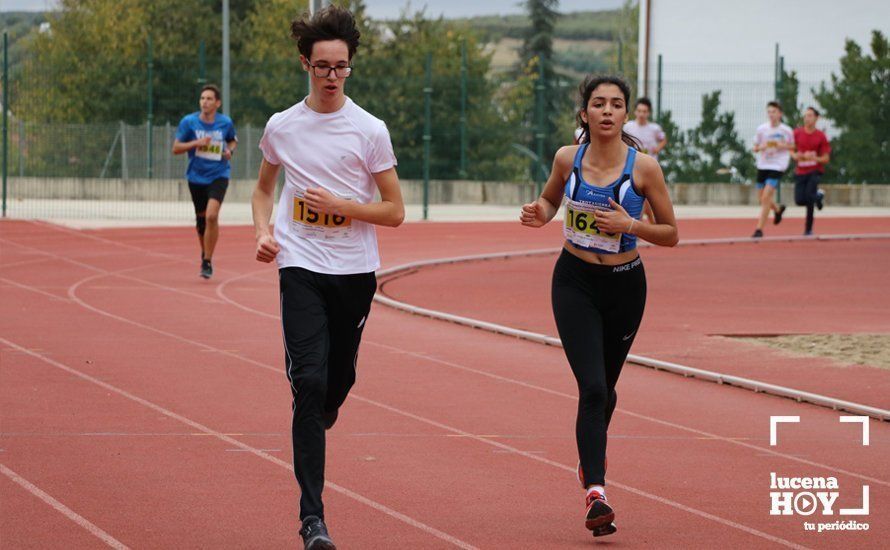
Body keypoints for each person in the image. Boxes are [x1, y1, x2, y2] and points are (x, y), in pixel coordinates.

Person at [251, 6, 404, 549]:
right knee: (308, 383)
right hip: (301, 266)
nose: (332, 76)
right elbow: (264, 189)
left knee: (337, 381)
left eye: (341, 67)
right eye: (322, 67)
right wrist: (263, 232)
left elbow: (395, 211)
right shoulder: (283, 127)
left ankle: (329, 399)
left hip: (355, 272)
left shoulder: (369, 130)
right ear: (305, 65)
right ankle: (313, 519)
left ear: (351, 67)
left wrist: (343, 205)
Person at [520, 75, 678, 538]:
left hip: (626, 286)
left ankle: (591, 450)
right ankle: (596, 491)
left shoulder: (645, 168)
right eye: (598, 104)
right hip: (574, 282)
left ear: (627, 114)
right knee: (591, 388)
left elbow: (671, 232)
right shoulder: (567, 158)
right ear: (584, 113)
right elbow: (551, 198)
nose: (607, 111)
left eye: (615, 104)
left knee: (605, 391)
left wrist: (631, 223)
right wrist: (540, 213)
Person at [172, 84, 237, 278]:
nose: (204, 102)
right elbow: (176, 148)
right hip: (196, 177)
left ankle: (207, 261)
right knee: (201, 221)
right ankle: (205, 254)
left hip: (219, 175)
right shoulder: (189, 122)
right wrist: (196, 143)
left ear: (217, 103)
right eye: (202, 98)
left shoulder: (225, 123)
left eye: (209, 99)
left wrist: (229, 151)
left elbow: (232, 140)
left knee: (211, 216)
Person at [751, 101, 794, 238]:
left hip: (778, 165)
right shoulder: (762, 129)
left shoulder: (786, 130)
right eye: (769, 112)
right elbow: (755, 147)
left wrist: (782, 145)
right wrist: (761, 147)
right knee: (761, 198)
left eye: (774, 112)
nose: (771, 115)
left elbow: (792, 146)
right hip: (763, 164)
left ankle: (759, 229)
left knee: (766, 196)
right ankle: (778, 209)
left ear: (780, 114)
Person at [623, 97, 665, 223]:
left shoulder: (654, 128)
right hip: (632, 167)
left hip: (650, 168)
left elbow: (663, 139)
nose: (642, 114)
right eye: (639, 111)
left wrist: (658, 148)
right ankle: (647, 225)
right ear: (635, 112)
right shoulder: (628, 127)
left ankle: (650, 225)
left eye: (645, 111)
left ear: (649, 113)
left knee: (649, 198)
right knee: (638, 197)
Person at [791, 107, 830, 235]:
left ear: (816, 118)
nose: (807, 118)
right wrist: (796, 155)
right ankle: (818, 196)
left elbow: (825, 158)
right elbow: (791, 149)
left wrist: (815, 158)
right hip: (800, 171)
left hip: (814, 171)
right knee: (799, 200)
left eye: (810, 116)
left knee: (808, 198)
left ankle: (808, 229)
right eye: (805, 116)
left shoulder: (821, 136)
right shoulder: (797, 133)